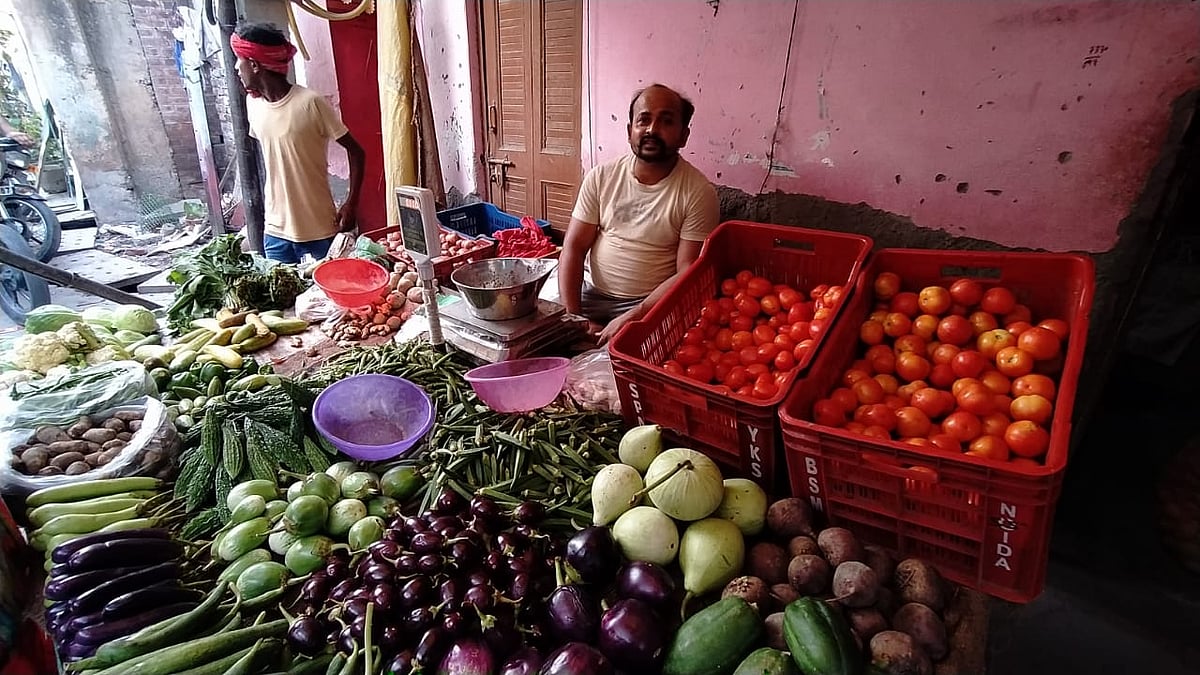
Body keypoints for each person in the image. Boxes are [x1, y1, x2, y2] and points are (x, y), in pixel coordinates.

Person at [559, 83, 719, 344]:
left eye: (666, 121)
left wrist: (636, 315)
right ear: (629, 130)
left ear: (683, 136)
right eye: (643, 120)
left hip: (650, 305)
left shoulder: (698, 192)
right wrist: (573, 317)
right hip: (591, 295)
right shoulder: (601, 177)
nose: (652, 130)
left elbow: (687, 270)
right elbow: (573, 248)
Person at [231, 23, 365, 263]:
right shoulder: (254, 106)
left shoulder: (309, 103)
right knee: (279, 299)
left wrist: (350, 204)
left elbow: (357, 153)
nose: (236, 68)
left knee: (323, 299)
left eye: (239, 60)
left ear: (254, 64)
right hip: (275, 232)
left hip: (319, 230)